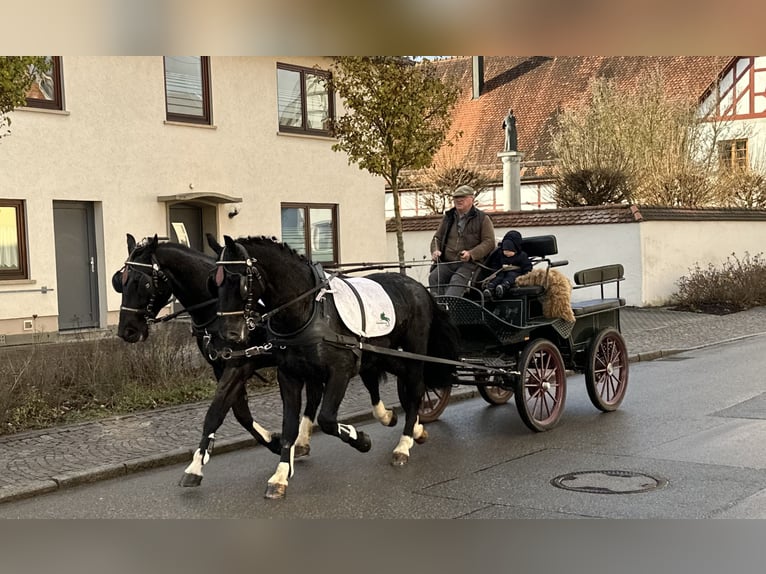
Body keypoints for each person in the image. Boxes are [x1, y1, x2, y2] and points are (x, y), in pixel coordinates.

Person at [429, 185, 496, 297]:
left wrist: (471, 254)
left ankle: (452, 311)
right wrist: (435, 251)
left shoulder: (483, 218)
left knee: (456, 283)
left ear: (472, 199)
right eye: (456, 197)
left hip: (470, 264)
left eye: (463, 197)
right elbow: (437, 238)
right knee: (434, 278)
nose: (459, 200)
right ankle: (438, 309)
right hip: (448, 262)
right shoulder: (448, 217)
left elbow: (489, 242)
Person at [482, 229, 532, 300]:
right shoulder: (500, 254)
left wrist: (525, 276)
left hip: (515, 272)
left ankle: (503, 286)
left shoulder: (522, 256)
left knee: (511, 276)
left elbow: (527, 267)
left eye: (509, 252)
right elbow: (495, 264)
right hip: (501, 271)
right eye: (505, 251)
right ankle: (490, 288)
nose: (507, 254)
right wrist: (494, 272)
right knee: (498, 278)